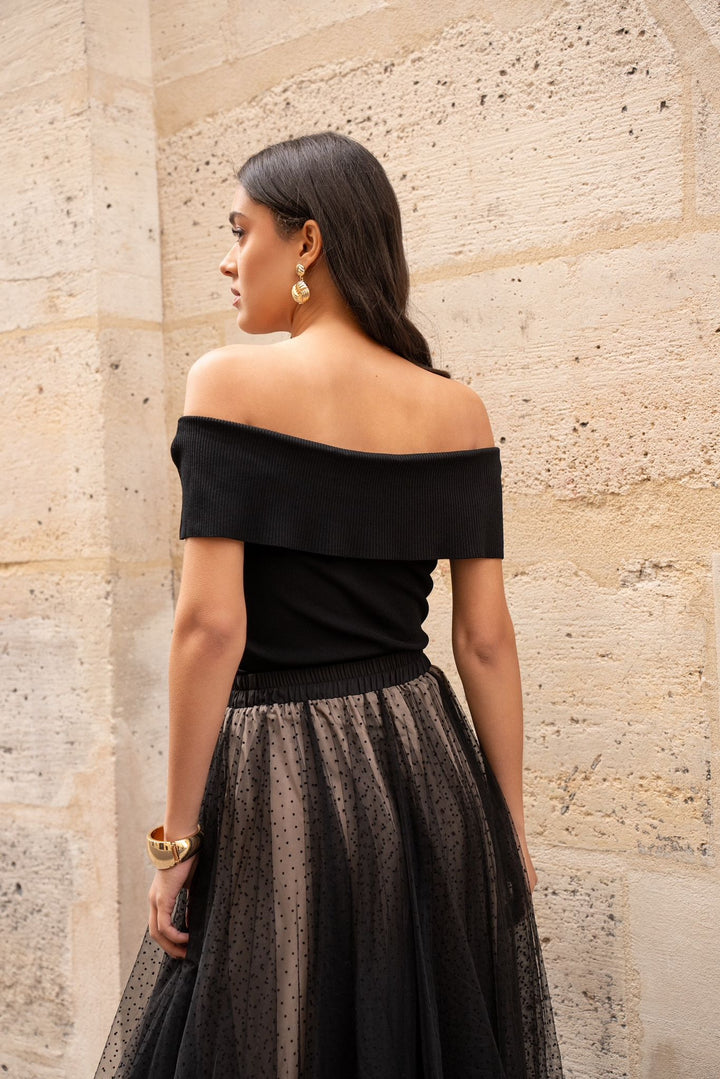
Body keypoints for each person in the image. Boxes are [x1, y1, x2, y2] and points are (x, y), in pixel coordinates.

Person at [95, 131, 563, 1079]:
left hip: (280, 769)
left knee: (271, 1037)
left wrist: (176, 840)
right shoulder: (456, 409)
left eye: (242, 231)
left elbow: (211, 626)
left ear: (305, 243)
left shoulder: (226, 382)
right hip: (426, 765)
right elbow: (483, 639)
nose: (229, 260)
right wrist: (505, 827)